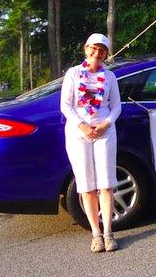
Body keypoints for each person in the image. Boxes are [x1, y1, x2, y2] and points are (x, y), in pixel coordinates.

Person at [60, 33, 122, 253]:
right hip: (79, 134)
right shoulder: (74, 74)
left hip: (105, 132)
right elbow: (66, 106)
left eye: (102, 50)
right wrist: (83, 126)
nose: (97, 53)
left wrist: (106, 123)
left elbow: (116, 106)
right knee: (86, 185)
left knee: (105, 184)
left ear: (106, 54)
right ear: (86, 48)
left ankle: (108, 233)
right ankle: (95, 234)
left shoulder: (110, 77)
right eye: (93, 48)